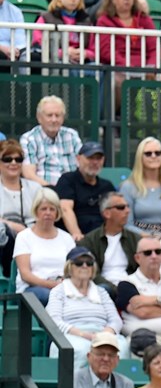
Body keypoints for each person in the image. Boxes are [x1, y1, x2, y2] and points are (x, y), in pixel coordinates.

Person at [47, 245, 127, 365]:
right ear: (69, 267)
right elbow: (54, 321)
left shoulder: (101, 292)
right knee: (81, 350)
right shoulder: (59, 291)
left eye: (89, 262)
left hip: (102, 333)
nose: (85, 266)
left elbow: (116, 320)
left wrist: (106, 333)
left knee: (122, 346)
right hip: (72, 334)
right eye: (79, 262)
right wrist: (84, 334)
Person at [115, 236, 161, 345]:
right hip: (143, 341)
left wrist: (154, 300)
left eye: (158, 252)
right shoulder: (126, 283)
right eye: (148, 253)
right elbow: (143, 312)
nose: (154, 256)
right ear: (137, 258)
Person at [93, 0, 161, 94]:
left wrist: (151, 66)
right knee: (118, 81)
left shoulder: (144, 19)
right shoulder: (104, 21)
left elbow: (154, 47)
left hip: (145, 67)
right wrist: (126, 66)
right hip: (118, 67)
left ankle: (160, 112)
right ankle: (117, 113)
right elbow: (106, 50)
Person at [13, 188, 76, 305]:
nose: (48, 212)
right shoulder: (24, 237)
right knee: (49, 296)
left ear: (57, 213)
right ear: (36, 211)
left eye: (52, 209)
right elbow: (25, 275)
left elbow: (73, 269)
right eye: (43, 209)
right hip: (32, 290)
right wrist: (52, 285)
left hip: (64, 288)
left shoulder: (66, 238)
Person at [119, 137, 161, 237]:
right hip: (137, 240)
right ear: (140, 157)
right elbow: (126, 224)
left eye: (158, 153)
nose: (154, 156)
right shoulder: (128, 187)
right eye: (148, 153)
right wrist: (148, 237)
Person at [54, 141, 115, 241]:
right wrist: (77, 234)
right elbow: (65, 209)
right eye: (90, 158)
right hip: (75, 239)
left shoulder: (107, 186)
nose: (95, 162)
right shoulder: (68, 180)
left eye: (98, 158)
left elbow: (115, 213)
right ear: (78, 158)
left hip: (103, 238)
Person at [20, 96, 81, 189]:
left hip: (73, 191)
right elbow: (28, 174)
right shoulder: (29, 139)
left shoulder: (71, 135)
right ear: (39, 118)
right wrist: (53, 190)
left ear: (63, 118)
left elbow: (84, 165)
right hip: (43, 192)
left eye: (57, 115)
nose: (54, 120)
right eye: (49, 115)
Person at [32, 0, 95, 67]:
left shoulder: (86, 20)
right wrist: (63, 52)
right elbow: (38, 44)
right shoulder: (46, 17)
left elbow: (94, 49)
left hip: (82, 62)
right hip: (55, 61)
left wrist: (85, 53)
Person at [0, 139, 39, 268]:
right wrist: (15, 227)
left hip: (32, 239)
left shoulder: (35, 188)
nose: (13, 163)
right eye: (7, 159)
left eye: (18, 159)